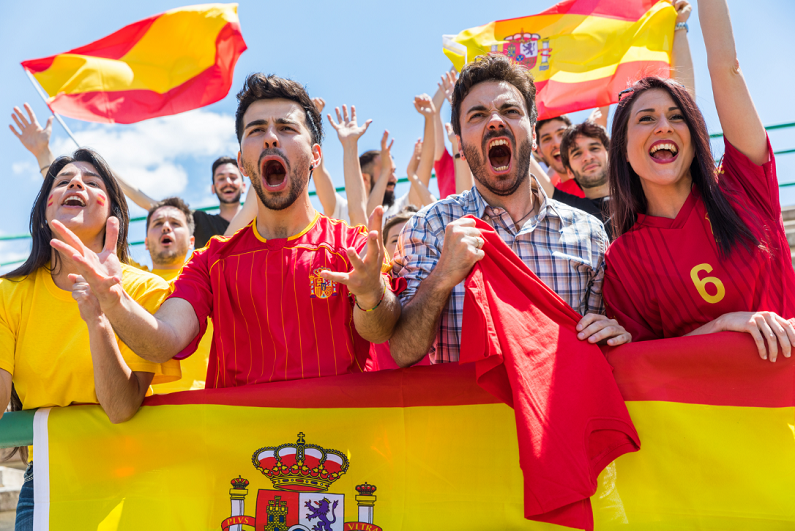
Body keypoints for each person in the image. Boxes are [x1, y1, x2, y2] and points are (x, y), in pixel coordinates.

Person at [50, 73, 402, 389]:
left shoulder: (353, 247)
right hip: (241, 456)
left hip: (339, 451)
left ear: (316, 156)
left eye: (287, 128)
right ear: (243, 164)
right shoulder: (211, 261)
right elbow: (164, 341)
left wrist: (371, 297)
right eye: (256, 130)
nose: (270, 138)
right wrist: (115, 301)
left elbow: (381, 330)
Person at [389, 54, 631, 367]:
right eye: (477, 115)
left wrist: (614, 333)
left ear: (531, 131)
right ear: (460, 142)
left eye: (510, 111)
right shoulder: (430, 226)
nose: (494, 121)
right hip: (470, 415)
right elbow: (403, 352)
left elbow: (604, 346)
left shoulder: (589, 233)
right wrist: (441, 278)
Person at [603, 0, 795, 363]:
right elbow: (642, 362)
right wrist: (721, 327)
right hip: (709, 416)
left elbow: (727, 70)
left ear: (694, 139)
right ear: (624, 152)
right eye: (645, 119)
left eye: (677, 116)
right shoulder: (623, 258)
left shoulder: (742, 188)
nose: (663, 125)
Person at [0, 149, 179, 531]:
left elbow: (121, 407)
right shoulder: (7, 292)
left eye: (91, 182)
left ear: (114, 214)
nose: (75, 183)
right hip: (46, 481)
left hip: (134, 476)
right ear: (44, 210)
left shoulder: (145, 289)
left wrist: (100, 315)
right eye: (62, 181)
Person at [8, 106, 246, 248]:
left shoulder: (259, 218)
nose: (228, 182)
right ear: (213, 188)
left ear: (244, 183)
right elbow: (148, 203)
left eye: (233, 177)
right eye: (221, 178)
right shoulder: (201, 223)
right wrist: (44, 154)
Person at [143, 197, 212, 392]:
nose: (166, 227)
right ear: (146, 243)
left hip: (204, 402)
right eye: (158, 223)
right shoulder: (128, 277)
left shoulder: (211, 274)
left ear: (192, 241)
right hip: (144, 406)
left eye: (175, 223)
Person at [535, 121, 614, 239]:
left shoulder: (642, 192)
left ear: (610, 154)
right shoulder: (571, 210)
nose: (587, 157)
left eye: (594, 148)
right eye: (577, 154)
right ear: (569, 171)